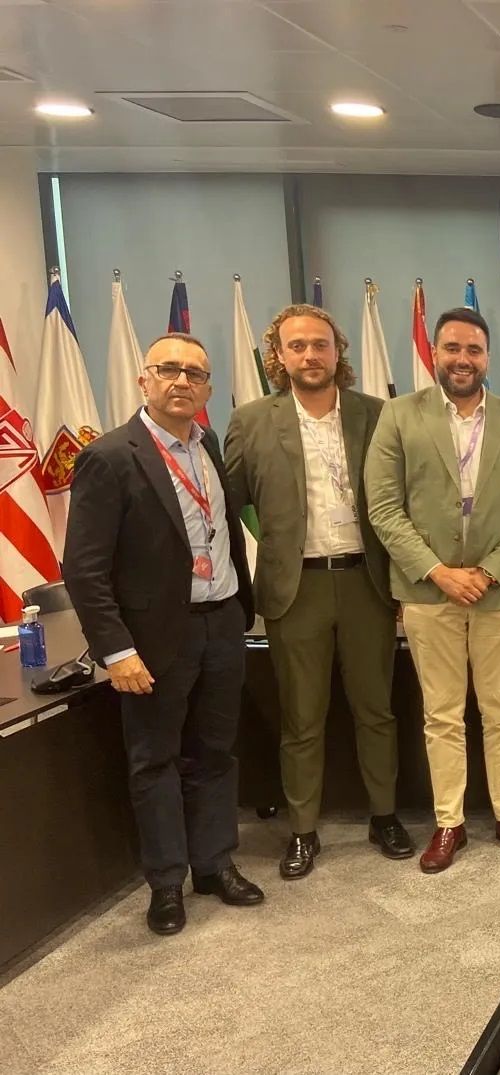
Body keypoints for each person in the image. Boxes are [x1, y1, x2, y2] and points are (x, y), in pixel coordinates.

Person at [63, 333, 261, 935]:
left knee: (216, 755)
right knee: (156, 761)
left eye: (196, 374)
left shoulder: (210, 447)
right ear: (144, 380)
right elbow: (84, 567)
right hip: (153, 640)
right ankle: (167, 882)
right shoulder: (112, 456)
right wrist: (116, 650)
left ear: (206, 388)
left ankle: (213, 864)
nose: (183, 381)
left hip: (222, 622)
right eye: (169, 369)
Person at [224, 304, 412, 880]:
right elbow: (226, 506)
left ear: (339, 351)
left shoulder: (376, 414)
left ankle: (384, 815)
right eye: (297, 345)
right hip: (294, 587)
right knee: (302, 718)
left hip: (366, 582)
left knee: (376, 710)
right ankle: (303, 830)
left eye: (321, 345)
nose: (310, 355)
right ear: (277, 355)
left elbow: (403, 496)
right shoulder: (252, 420)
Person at [364, 307, 500, 872]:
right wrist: (438, 572)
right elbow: (383, 507)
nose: (462, 360)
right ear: (436, 354)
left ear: (487, 357)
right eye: (452, 349)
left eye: (473, 350)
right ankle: (449, 823)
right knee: (441, 714)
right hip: (429, 593)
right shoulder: (399, 416)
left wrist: (490, 571)